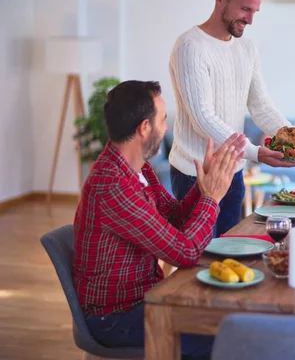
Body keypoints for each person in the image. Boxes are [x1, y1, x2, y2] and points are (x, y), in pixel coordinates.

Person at [72, 80, 245, 360]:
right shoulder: (114, 186)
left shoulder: (138, 170)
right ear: (144, 128)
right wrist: (211, 198)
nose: (166, 128)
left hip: (148, 298)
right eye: (162, 120)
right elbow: (185, 253)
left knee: (225, 317)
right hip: (116, 317)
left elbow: (174, 218)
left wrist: (203, 188)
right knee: (221, 333)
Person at [168, 0, 295, 237]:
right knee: (198, 258)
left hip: (234, 172)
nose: (249, 20)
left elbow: (260, 104)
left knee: (228, 253)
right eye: (244, 9)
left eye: (254, 12)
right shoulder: (190, 46)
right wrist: (254, 152)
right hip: (194, 175)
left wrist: (294, 139)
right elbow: (203, 117)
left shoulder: (246, 48)